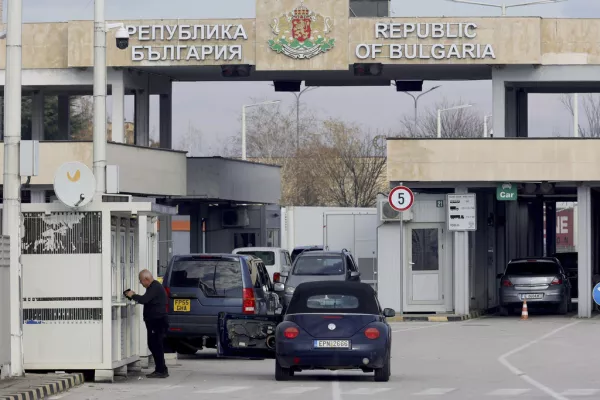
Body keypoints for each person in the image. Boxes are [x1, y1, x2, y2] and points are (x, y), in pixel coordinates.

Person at [125, 270, 169, 378]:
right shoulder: (153, 287)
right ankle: (161, 369)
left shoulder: (155, 287)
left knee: (155, 345)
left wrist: (132, 295)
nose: (141, 283)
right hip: (155, 321)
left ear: (146, 279)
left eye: (141, 281)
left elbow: (144, 299)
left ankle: (161, 370)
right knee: (154, 345)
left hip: (157, 321)